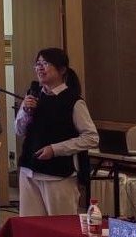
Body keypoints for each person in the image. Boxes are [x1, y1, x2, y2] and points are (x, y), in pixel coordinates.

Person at [15, 47, 99, 217]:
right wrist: (25, 111)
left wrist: (55, 149)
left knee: (60, 225)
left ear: (62, 69)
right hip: (29, 171)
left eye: (45, 63)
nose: (40, 67)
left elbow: (91, 138)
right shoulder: (32, 96)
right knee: (31, 226)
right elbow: (19, 130)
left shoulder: (73, 100)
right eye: (37, 63)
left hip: (58, 175)